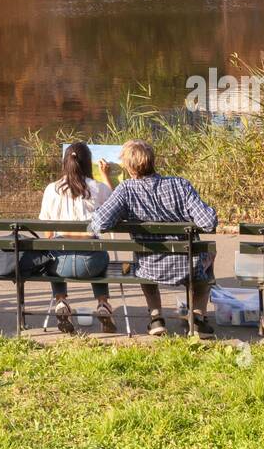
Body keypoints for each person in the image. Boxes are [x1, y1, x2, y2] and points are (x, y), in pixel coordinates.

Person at [91, 139, 218, 338]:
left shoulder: (126, 190)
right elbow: (209, 222)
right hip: (188, 265)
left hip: (149, 267)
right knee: (209, 251)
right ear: (152, 161)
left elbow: (99, 223)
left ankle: (156, 317)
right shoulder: (180, 184)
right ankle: (198, 317)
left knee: (142, 259)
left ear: (129, 168)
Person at [39, 141, 116, 334]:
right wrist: (106, 175)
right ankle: (102, 303)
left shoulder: (51, 189)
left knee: (51, 252)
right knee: (101, 253)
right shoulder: (97, 188)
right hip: (91, 265)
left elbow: (46, 232)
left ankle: (60, 300)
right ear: (88, 163)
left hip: (60, 266)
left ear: (66, 162)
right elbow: (114, 204)